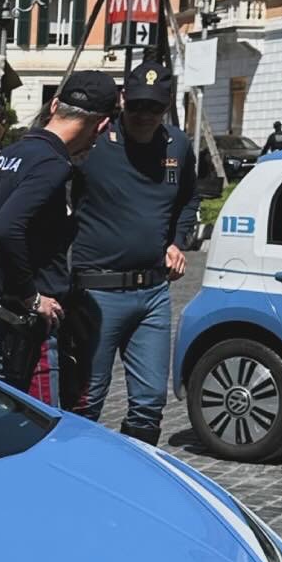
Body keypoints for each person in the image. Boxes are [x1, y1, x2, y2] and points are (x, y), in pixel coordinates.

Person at [0, 70, 118, 399]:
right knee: (39, 438)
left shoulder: (8, 156)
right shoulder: (53, 164)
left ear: (56, 104)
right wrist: (32, 297)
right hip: (26, 330)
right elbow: (4, 229)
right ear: (102, 125)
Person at [69, 62, 198, 445]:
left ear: (167, 106)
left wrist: (178, 240)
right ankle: (77, 477)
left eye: (154, 108)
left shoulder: (177, 145)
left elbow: (189, 198)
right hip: (97, 290)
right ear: (123, 100)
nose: (144, 115)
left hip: (153, 294)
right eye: (137, 105)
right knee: (87, 398)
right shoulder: (93, 140)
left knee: (149, 403)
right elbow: (42, 156)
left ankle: (134, 482)